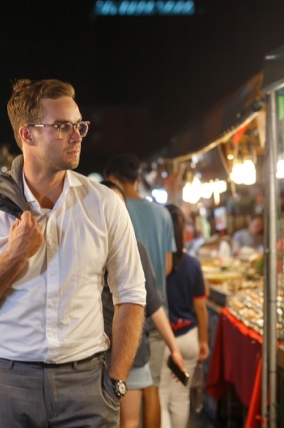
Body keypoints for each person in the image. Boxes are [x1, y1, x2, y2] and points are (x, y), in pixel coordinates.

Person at [0, 78, 146, 427]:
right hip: (7, 380)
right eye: (62, 126)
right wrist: (13, 256)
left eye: (79, 124)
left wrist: (117, 379)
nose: (77, 134)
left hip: (86, 383)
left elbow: (131, 293)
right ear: (27, 135)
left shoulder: (104, 204)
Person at [100, 180, 186, 428]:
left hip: (130, 352)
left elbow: (153, 303)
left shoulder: (136, 249)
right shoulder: (85, 249)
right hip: (91, 356)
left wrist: (175, 348)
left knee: (129, 422)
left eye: (119, 206)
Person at [160, 204, 209, 428]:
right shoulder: (193, 265)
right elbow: (201, 309)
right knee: (180, 399)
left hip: (161, 340)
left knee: (160, 400)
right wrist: (203, 341)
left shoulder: (155, 262)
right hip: (188, 338)